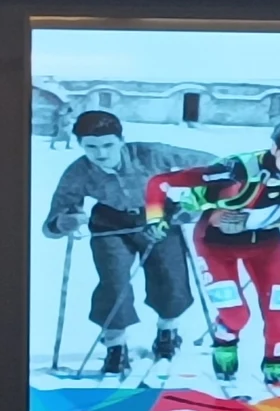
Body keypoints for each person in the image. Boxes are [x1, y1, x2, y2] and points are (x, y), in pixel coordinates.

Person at [145, 118, 280, 394]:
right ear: (277, 149)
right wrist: (156, 216)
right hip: (217, 245)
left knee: (277, 310)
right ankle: (224, 342)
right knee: (236, 315)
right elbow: (161, 182)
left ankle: (276, 365)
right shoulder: (235, 170)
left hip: (266, 245)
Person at [41, 111, 213, 376]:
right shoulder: (78, 172)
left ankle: (167, 333)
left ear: (122, 140)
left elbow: (214, 167)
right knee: (114, 283)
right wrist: (65, 222)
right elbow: (52, 222)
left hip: (158, 217)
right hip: (110, 225)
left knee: (171, 277)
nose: (101, 153)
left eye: (108, 145)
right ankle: (115, 346)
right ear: (80, 145)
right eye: (91, 147)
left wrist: (195, 203)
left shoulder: (150, 154)